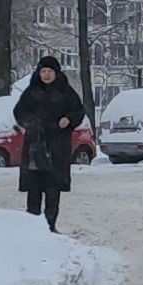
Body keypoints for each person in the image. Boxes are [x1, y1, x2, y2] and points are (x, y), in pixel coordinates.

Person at [11, 55, 86, 233]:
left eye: (49, 71)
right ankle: (32, 227)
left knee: (53, 189)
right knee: (34, 189)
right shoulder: (31, 92)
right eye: (43, 71)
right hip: (35, 146)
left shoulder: (65, 91)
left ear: (56, 73)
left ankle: (50, 226)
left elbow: (78, 110)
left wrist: (68, 119)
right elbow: (19, 112)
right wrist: (31, 122)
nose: (46, 75)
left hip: (57, 147)